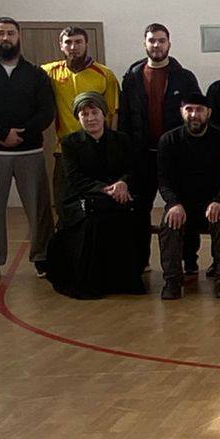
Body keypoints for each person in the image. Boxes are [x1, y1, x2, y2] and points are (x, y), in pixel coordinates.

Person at [0, 17, 55, 282]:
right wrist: (1, 134)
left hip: (29, 152)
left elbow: (46, 111)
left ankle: (42, 257)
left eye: (11, 33)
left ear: (19, 36)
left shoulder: (36, 74)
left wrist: (21, 135)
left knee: (39, 209)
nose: (6, 38)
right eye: (0, 33)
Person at [47, 91, 147, 299]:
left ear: (104, 115)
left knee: (135, 214)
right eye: (85, 114)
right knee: (93, 221)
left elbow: (131, 169)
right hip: (83, 196)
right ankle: (93, 281)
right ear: (78, 118)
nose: (91, 118)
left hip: (118, 194)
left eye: (94, 113)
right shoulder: (69, 143)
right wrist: (108, 189)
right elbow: (75, 178)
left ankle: (125, 279)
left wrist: (122, 183)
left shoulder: (122, 140)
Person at [119, 23, 201, 268]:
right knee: (138, 209)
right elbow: (125, 118)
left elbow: (195, 115)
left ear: (169, 44)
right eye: (152, 40)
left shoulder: (185, 77)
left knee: (183, 205)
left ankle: (189, 259)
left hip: (176, 156)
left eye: (161, 40)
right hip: (141, 155)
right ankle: (140, 261)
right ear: (145, 44)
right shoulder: (132, 77)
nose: (156, 45)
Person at [155, 92, 220, 299]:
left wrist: (219, 201)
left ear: (209, 113)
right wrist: (173, 203)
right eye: (189, 109)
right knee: (169, 223)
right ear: (181, 112)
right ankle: (172, 281)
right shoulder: (168, 140)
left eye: (199, 110)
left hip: (213, 203)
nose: (194, 114)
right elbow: (164, 180)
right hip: (181, 204)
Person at [41, 25, 120, 210]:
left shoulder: (105, 75)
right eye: (68, 42)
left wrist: (112, 149)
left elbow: (113, 114)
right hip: (65, 150)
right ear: (61, 45)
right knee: (63, 204)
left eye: (78, 42)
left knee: (102, 202)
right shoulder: (50, 72)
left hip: (97, 149)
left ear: (86, 44)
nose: (73, 47)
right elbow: (21, 70)